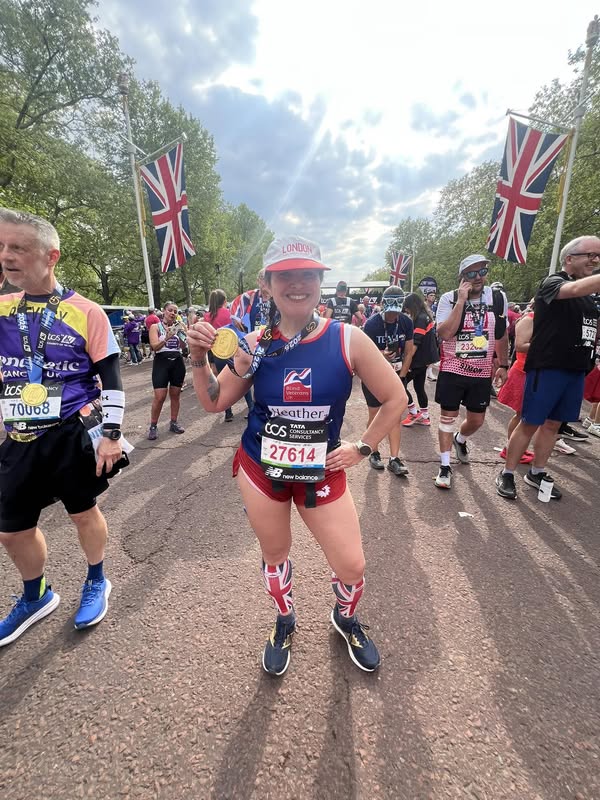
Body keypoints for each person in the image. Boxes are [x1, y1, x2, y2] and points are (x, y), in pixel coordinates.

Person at [187, 235, 406, 676]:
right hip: (261, 468)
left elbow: (396, 398)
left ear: (321, 282)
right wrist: (197, 357)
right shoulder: (253, 343)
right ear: (267, 284)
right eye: (285, 275)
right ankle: (284, 622)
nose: (298, 284)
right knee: (275, 554)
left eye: (308, 274)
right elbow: (214, 401)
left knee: (352, 563)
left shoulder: (349, 338)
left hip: (320, 468)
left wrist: (362, 447)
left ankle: (344, 618)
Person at [0, 208, 125, 645]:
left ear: (51, 256)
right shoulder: (2, 309)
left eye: (18, 247)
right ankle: (36, 596)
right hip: (18, 436)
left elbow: (111, 380)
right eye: (1, 247)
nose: (7, 256)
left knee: (83, 513)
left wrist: (111, 436)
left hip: (71, 433)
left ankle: (97, 579)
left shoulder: (87, 312)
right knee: (11, 529)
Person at [496, 236, 600, 500]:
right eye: (591, 255)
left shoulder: (589, 298)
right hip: (549, 368)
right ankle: (507, 473)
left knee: (554, 425)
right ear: (569, 258)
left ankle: (537, 472)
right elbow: (574, 291)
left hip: (575, 371)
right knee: (530, 422)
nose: (596, 261)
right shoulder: (553, 283)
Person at [434, 254, 508, 489]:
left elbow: (501, 334)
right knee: (447, 419)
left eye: (482, 272)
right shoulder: (449, 298)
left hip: (481, 372)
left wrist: (504, 364)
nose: (478, 278)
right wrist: (461, 302)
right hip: (453, 369)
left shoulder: (497, 297)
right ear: (462, 277)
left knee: (476, 420)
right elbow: (445, 333)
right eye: (471, 274)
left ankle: (460, 439)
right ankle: (445, 466)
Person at [361, 285, 412, 476]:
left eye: (395, 313)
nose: (392, 316)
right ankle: (373, 451)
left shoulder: (406, 321)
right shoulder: (372, 324)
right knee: (375, 416)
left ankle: (394, 459)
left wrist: (402, 376)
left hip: (397, 374)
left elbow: (408, 351)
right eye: (389, 312)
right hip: (373, 375)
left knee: (394, 416)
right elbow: (364, 355)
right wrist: (380, 354)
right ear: (383, 306)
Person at [205, 289, 253, 422]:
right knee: (242, 379)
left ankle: (228, 413)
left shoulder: (207, 316)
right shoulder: (231, 313)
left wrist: (211, 359)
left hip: (218, 352)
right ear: (225, 300)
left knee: (221, 383)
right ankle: (251, 408)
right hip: (234, 350)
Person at [147, 301, 186, 439]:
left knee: (175, 394)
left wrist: (182, 334)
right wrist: (167, 338)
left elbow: (183, 346)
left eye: (175, 311)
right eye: (170, 310)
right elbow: (154, 347)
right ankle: (153, 426)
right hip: (161, 362)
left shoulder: (179, 326)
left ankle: (173, 423)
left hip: (177, 361)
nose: (173, 313)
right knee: (160, 396)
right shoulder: (155, 327)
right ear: (164, 311)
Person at [401, 292, 439, 428]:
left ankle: (412, 412)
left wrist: (407, 361)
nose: (406, 310)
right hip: (424, 359)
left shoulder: (420, 319)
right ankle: (424, 415)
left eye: (407, 307)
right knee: (418, 387)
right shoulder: (425, 316)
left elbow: (416, 343)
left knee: (400, 384)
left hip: (418, 360)